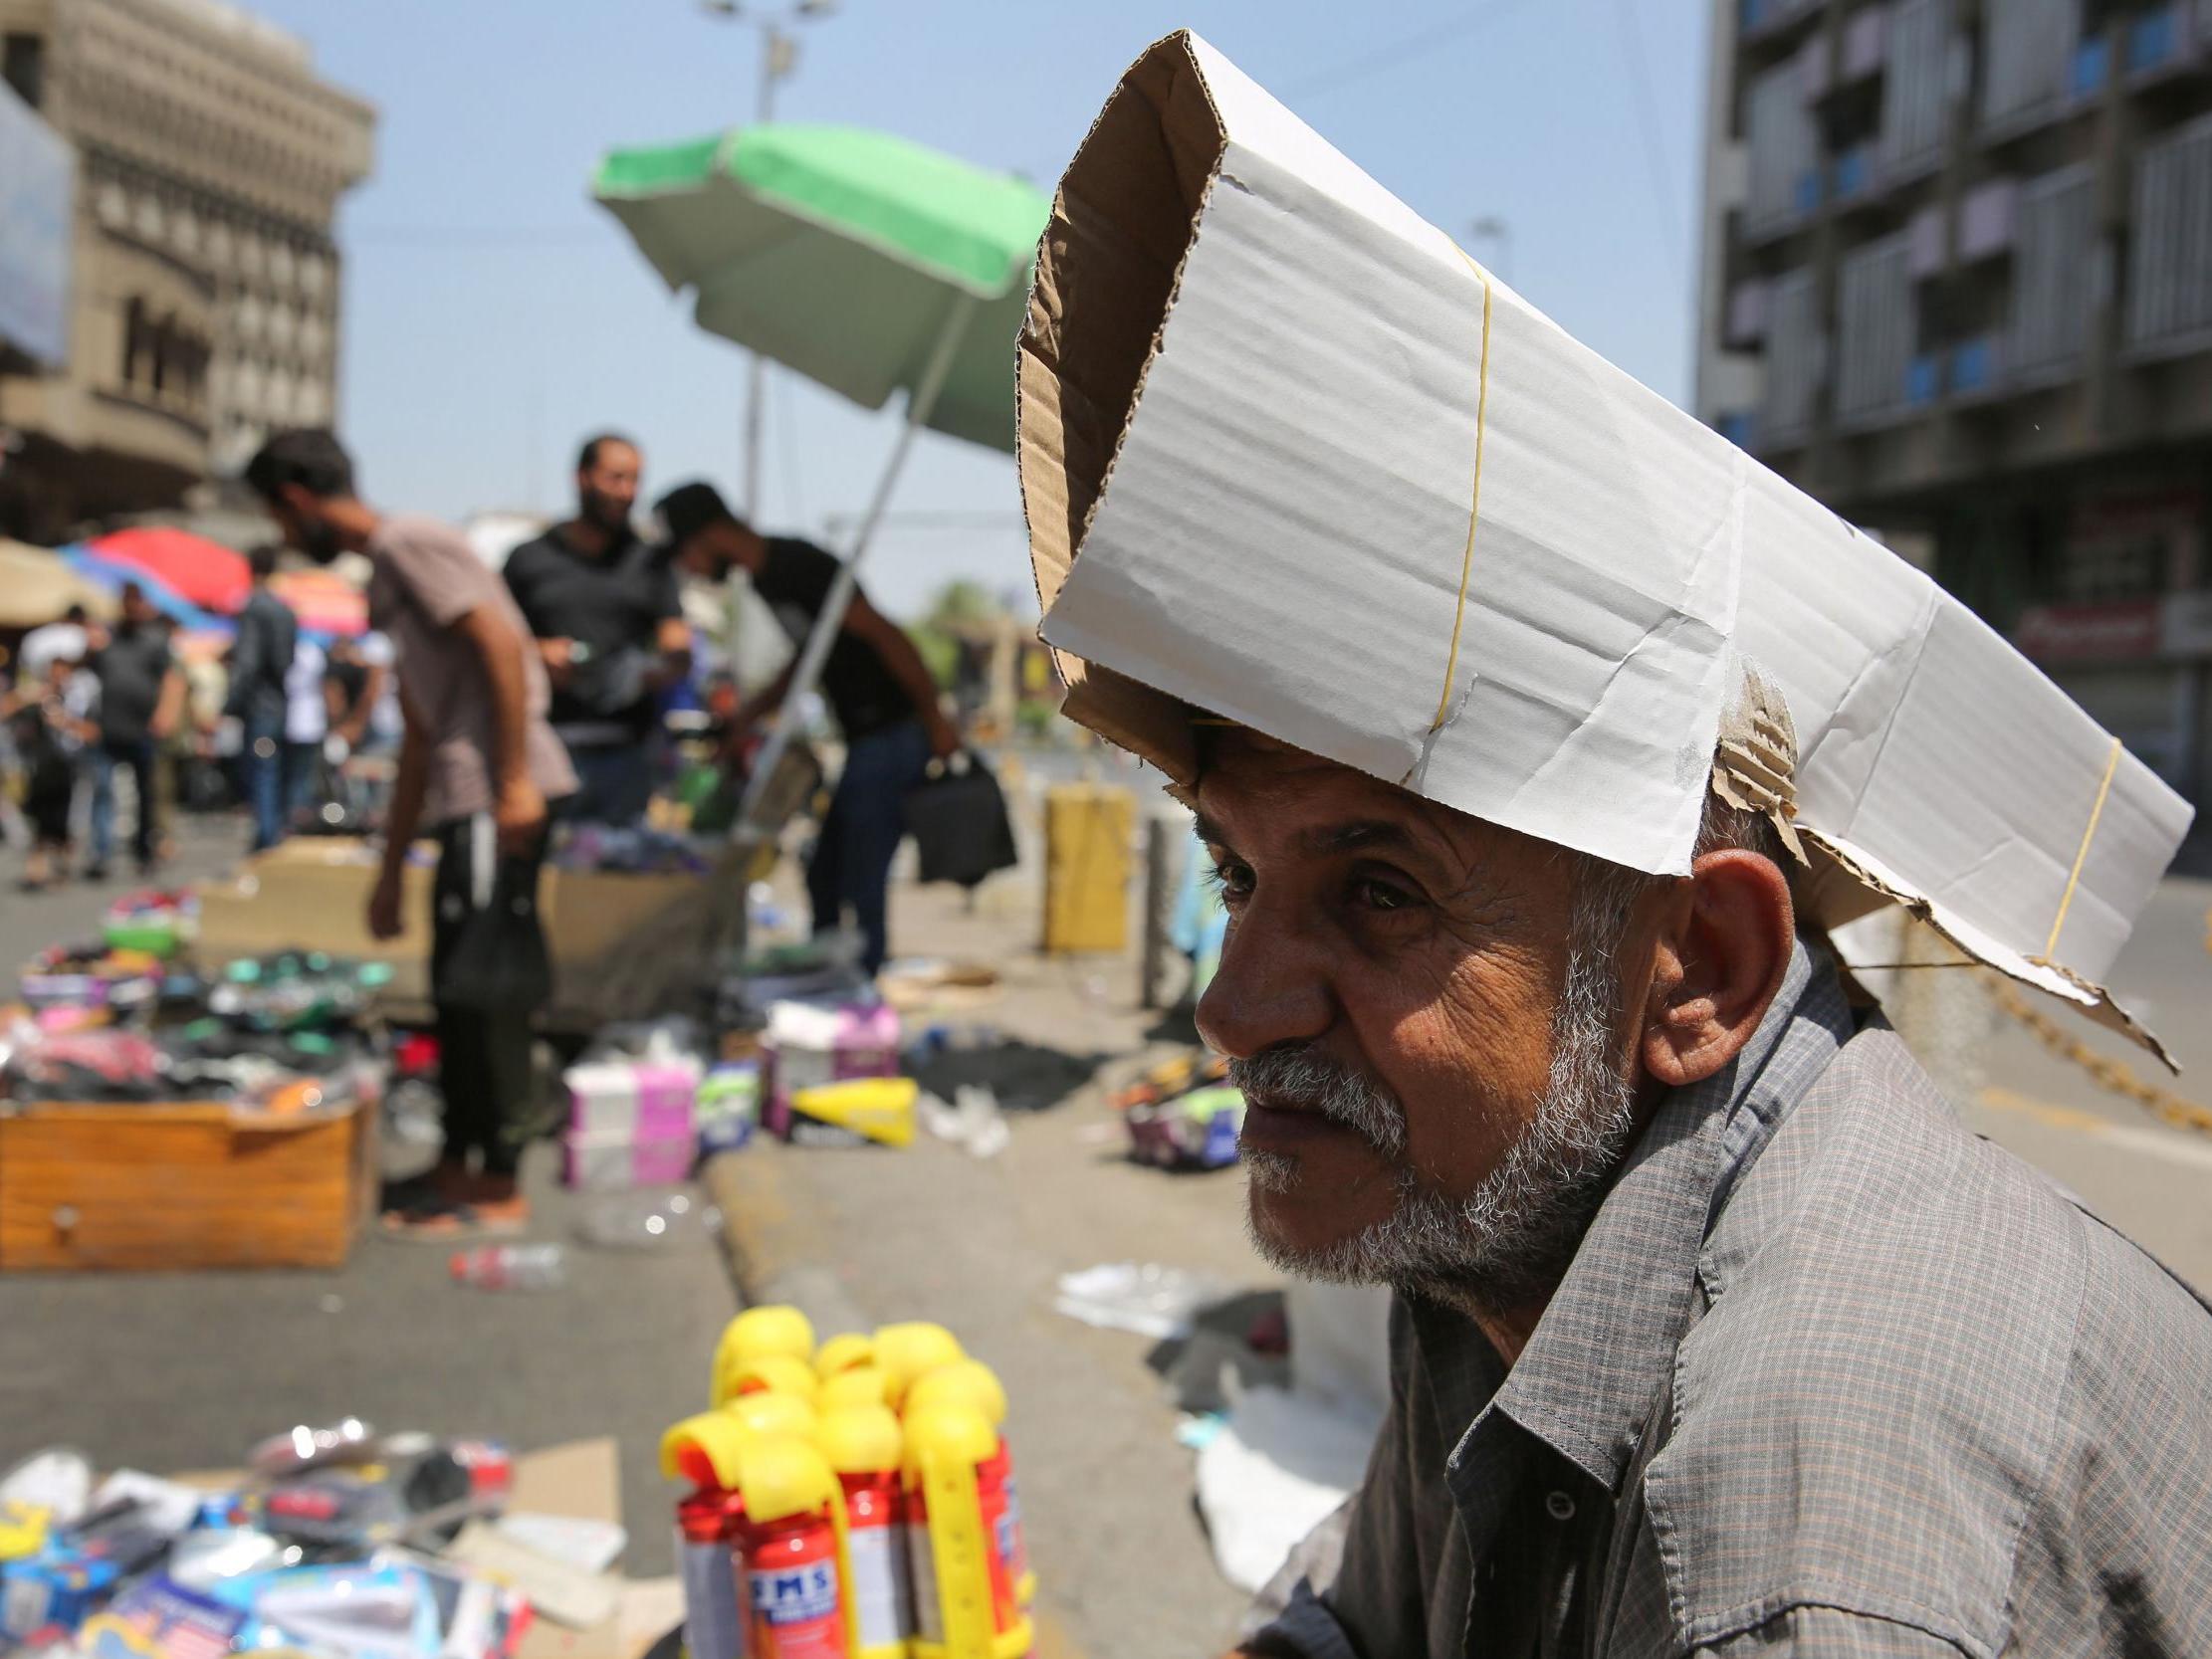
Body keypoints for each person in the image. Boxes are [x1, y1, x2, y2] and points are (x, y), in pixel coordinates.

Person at [245, 428, 576, 1238]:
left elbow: (503, 644)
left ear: (295, 497)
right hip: (469, 796)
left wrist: (513, 781)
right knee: (456, 987)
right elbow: (423, 731)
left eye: (282, 521)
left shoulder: (410, 541)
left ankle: (499, 1182)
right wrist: (390, 868)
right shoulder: (389, 570)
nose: (289, 539)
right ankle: (460, 1164)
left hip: (500, 793)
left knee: (485, 988)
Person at [655, 481, 960, 975]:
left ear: (709, 535)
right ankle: (828, 976)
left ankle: (860, 991)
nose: (688, 568)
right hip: (865, 741)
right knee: (824, 871)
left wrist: (936, 720)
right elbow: (808, 658)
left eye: (686, 554)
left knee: (861, 876)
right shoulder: (765, 579)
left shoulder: (798, 565)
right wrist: (747, 719)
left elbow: (886, 635)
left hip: (891, 735)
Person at [503, 434, 689, 825]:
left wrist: (645, 672)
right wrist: (537, 654)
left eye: (635, 480)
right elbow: (495, 643)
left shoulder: (650, 563)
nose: (626, 492)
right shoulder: (529, 559)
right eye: (615, 478)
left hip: (627, 758)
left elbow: (678, 650)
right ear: (583, 478)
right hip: (546, 751)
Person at [85, 582, 186, 880]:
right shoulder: (108, 638)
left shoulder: (155, 640)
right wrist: (90, 647)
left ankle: (143, 850)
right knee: (103, 790)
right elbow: (88, 674)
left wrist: (165, 714)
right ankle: (101, 852)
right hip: (109, 726)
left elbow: (172, 679)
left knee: (146, 794)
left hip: (143, 728)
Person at [225, 545, 301, 851]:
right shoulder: (285, 610)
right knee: (275, 767)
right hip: (279, 705)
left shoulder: (254, 608)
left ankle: (267, 836)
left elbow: (247, 661)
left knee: (263, 769)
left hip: (260, 707)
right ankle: (272, 830)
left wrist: (229, 702)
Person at [2, 656, 98, 888]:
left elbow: (93, 733)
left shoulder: (79, 700)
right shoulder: (38, 699)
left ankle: (61, 867)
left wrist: (65, 722)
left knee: (66, 822)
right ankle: (37, 869)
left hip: (69, 767)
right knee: (39, 820)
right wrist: (26, 696)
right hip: (40, 770)